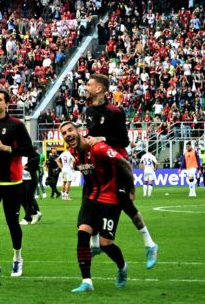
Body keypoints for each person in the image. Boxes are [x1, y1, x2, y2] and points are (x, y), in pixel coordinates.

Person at [85, 74, 158, 269]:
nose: (86, 87)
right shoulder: (89, 110)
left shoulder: (114, 111)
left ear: (99, 89)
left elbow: (124, 140)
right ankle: (95, 245)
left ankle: (150, 244)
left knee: (126, 204)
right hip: (100, 165)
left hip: (117, 165)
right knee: (92, 200)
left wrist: (102, 139)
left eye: (89, 84)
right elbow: (92, 137)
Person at [60, 121, 133, 293]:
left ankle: (122, 267)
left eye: (70, 130)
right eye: (64, 133)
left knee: (105, 244)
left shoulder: (99, 148)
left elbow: (124, 163)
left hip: (110, 199)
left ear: (79, 131)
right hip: (90, 198)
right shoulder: (74, 153)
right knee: (82, 233)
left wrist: (130, 190)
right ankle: (86, 281)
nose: (67, 134)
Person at [0, 88, 35, 278]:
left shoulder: (16, 125)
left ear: (7, 103)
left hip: (12, 181)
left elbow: (29, 150)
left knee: (12, 222)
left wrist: (7, 148)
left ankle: (17, 259)